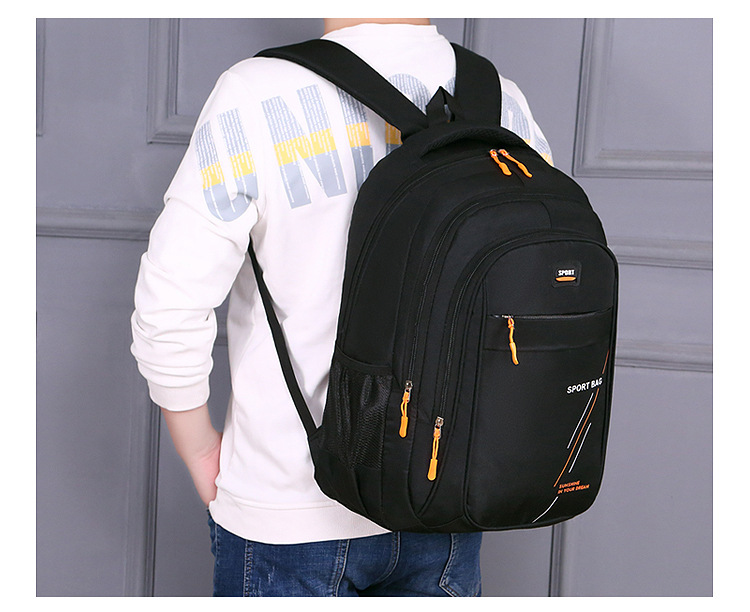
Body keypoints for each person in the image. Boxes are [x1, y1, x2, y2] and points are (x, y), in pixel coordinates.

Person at [130, 17, 553, 597]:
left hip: (290, 506)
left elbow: (170, 304)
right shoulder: (501, 99)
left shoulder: (257, 91)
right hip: (445, 497)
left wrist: (202, 450)